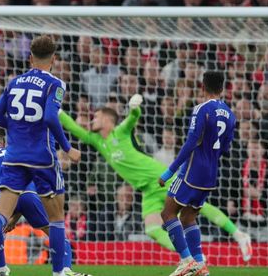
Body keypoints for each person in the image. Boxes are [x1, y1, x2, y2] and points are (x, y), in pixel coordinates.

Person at [59, 94, 252, 260]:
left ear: (108, 120)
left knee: (195, 206)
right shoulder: (97, 141)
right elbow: (76, 130)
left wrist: (134, 107)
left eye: (96, 117)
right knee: (152, 229)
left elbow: (133, 118)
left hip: (159, 177)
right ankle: (190, 258)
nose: (91, 120)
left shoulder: (120, 132)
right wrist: (56, 112)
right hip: (147, 190)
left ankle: (239, 234)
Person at [0, 36, 81, 276]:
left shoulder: (14, 82)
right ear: (54, 59)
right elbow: (51, 118)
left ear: (30, 57)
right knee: (56, 218)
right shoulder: (55, 84)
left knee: (1, 213)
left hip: (14, 155)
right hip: (42, 157)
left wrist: (18, 126)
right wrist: (67, 147)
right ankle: (60, 273)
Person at [0, 130, 88, 276]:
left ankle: (0, 268)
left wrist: (7, 212)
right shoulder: (15, 151)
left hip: (0, 196)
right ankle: (67, 270)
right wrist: (15, 216)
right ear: (3, 143)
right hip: (29, 195)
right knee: (56, 233)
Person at [159, 72, 237, 276]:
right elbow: (227, 148)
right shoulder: (230, 113)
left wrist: (169, 171)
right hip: (211, 175)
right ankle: (201, 266)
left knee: (167, 213)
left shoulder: (201, 109)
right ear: (222, 88)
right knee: (187, 217)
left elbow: (191, 142)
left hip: (192, 171)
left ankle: (186, 261)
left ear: (203, 87)